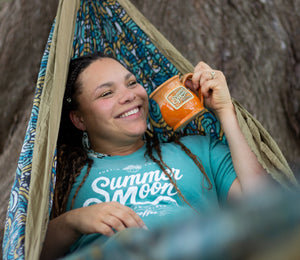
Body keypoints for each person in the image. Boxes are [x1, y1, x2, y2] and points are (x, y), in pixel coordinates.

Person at [40, 52, 267, 259]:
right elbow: (27, 251)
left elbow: (265, 205)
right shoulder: (60, 176)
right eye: (107, 93)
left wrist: (225, 110)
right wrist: (74, 221)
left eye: (132, 83)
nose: (129, 95)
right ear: (79, 119)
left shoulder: (199, 151)